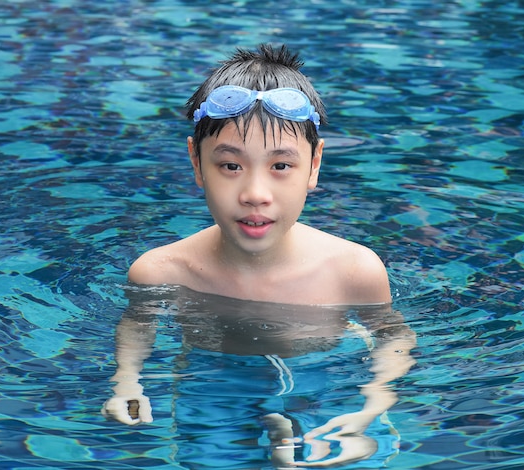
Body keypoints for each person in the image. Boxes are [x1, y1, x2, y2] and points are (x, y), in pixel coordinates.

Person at [103, 44, 416, 468]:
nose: (254, 194)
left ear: (314, 165)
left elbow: (394, 337)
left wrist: (370, 406)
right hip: (214, 381)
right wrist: (127, 382)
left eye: (280, 166)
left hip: (327, 381)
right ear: (196, 162)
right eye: (231, 166)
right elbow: (138, 327)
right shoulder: (162, 271)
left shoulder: (352, 271)